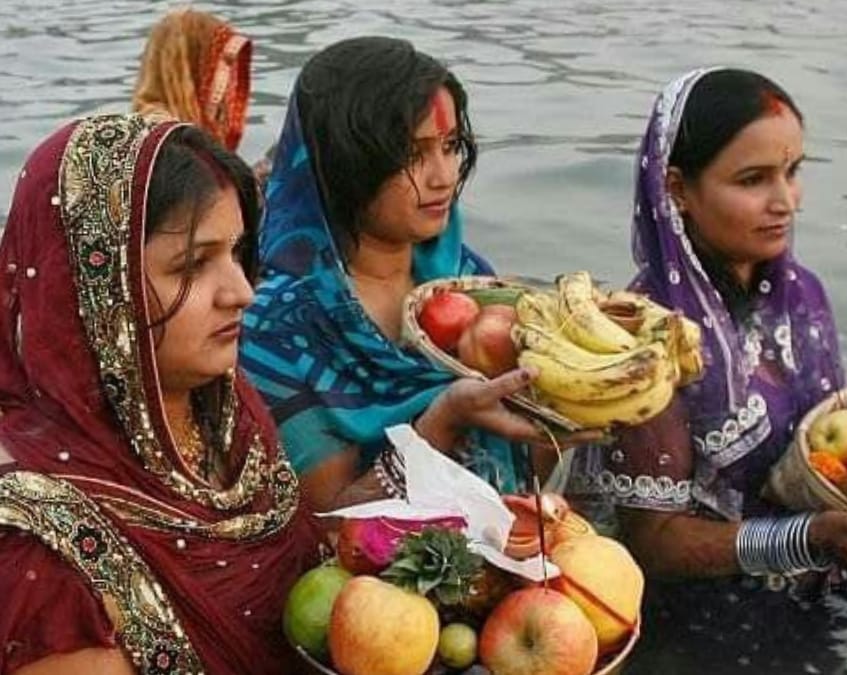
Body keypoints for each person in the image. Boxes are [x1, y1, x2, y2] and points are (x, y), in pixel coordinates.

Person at [597, 68, 847, 673]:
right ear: (677, 189)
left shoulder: (803, 295)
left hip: (827, 587)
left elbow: (829, 454)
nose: (786, 201)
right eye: (753, 180)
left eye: (794, 171)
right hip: (705, 628)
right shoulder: (645, 338)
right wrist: (807, 539)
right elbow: (653, 544)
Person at [0, 114, 321, 675]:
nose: (243, 292)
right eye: (194, 265)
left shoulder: (227, 416)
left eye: (238, 251)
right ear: (96, 296)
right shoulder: (44, 556)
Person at [240, 37, 577, 515]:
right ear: (344, 162)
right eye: (413, 154)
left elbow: (519, 474)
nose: (443, 176)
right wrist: (441, 423)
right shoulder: (275, 328)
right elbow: (326, 529)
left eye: (451, 146)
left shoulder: (467, 281)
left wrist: (562, 414)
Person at [132, 8, 251, 152]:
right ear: (195, 66)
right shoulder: (171, 139)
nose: (227, 83)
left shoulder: (141, 127)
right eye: (220, 67)